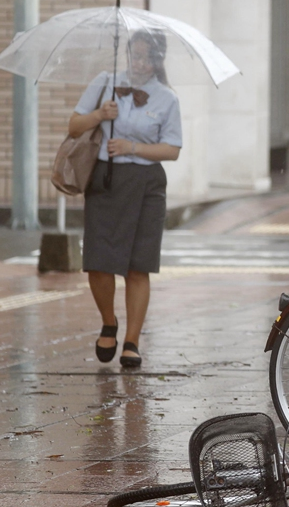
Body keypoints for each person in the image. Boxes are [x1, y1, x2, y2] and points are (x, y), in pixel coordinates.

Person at [68, 28, 182, 368]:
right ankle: (109, 322)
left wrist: (133, 147)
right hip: (106, 179)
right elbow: (74, 126)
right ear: (127, 54)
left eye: (147, 57)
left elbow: (172, 150)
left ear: (158, 61)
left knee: (138, 265)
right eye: (136, 55)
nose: (140, 63)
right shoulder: (105, 82)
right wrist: (100, 115)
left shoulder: (167, 98)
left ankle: (132, 341)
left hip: (147, 184)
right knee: (98, 261)